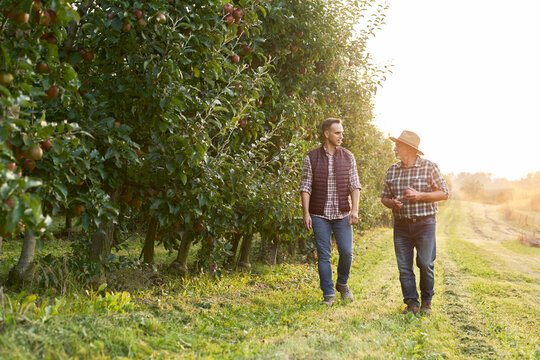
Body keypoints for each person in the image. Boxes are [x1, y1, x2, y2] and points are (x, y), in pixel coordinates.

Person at [381, 130, 449, 315]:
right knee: (404, 266)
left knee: (426, 263)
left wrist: (420, 196)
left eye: (398, 145)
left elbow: (444, 193)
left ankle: (427, 301)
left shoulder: (429, 167)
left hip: (425, 223)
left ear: (410, 149)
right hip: (401, 225)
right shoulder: (392, 170)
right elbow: (385, 198)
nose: (395, 148)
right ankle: (412, 304)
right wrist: (392, 203)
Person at [300, 118, 361, 306]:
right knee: (324, 255)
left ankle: (342, 284)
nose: (341, 136)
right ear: (327, 134)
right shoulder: (311, 158)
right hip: (319, 214)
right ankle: (328, 295)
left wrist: (355, 210)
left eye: (342, 132)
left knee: (347, 252)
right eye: (337, 133)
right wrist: (306, 214)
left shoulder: (348, 157)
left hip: (342, 213)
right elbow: (305, 187)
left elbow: (355, 185)